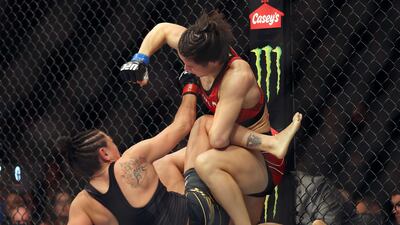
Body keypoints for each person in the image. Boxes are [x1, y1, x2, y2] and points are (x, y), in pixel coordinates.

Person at [120, 10, 296, 225]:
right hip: (229, 150)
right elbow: (163, 29)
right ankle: (197, 215)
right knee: (164, 164)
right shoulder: (197, 45)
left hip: (259, 159)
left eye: (191, 66)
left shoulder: (236, 76)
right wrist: (141, 59)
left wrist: (190, 86)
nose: (185, 68)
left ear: (212, 63)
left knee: (205, 133)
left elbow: (218, 139)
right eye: (183, 61)